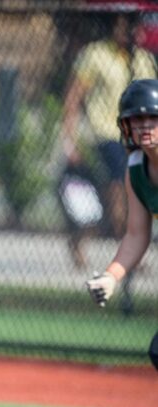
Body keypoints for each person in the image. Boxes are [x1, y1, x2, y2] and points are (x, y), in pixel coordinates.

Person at [62, 13, 157, 268]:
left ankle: (96, 240)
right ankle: (127, 253)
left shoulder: (143, 60)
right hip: (104, 135)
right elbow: (73, 97)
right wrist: (69, 139)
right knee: (117, 192)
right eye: (123, 23)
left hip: (137, 137)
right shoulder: (95, 55)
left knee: (124, 197)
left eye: (133, 24)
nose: (128, 30)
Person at [86, 79, 158, 368]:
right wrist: (111, 276)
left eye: (152, 116)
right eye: (135, 118)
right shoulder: (136, 168)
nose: (143, 124)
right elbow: (136, 235)